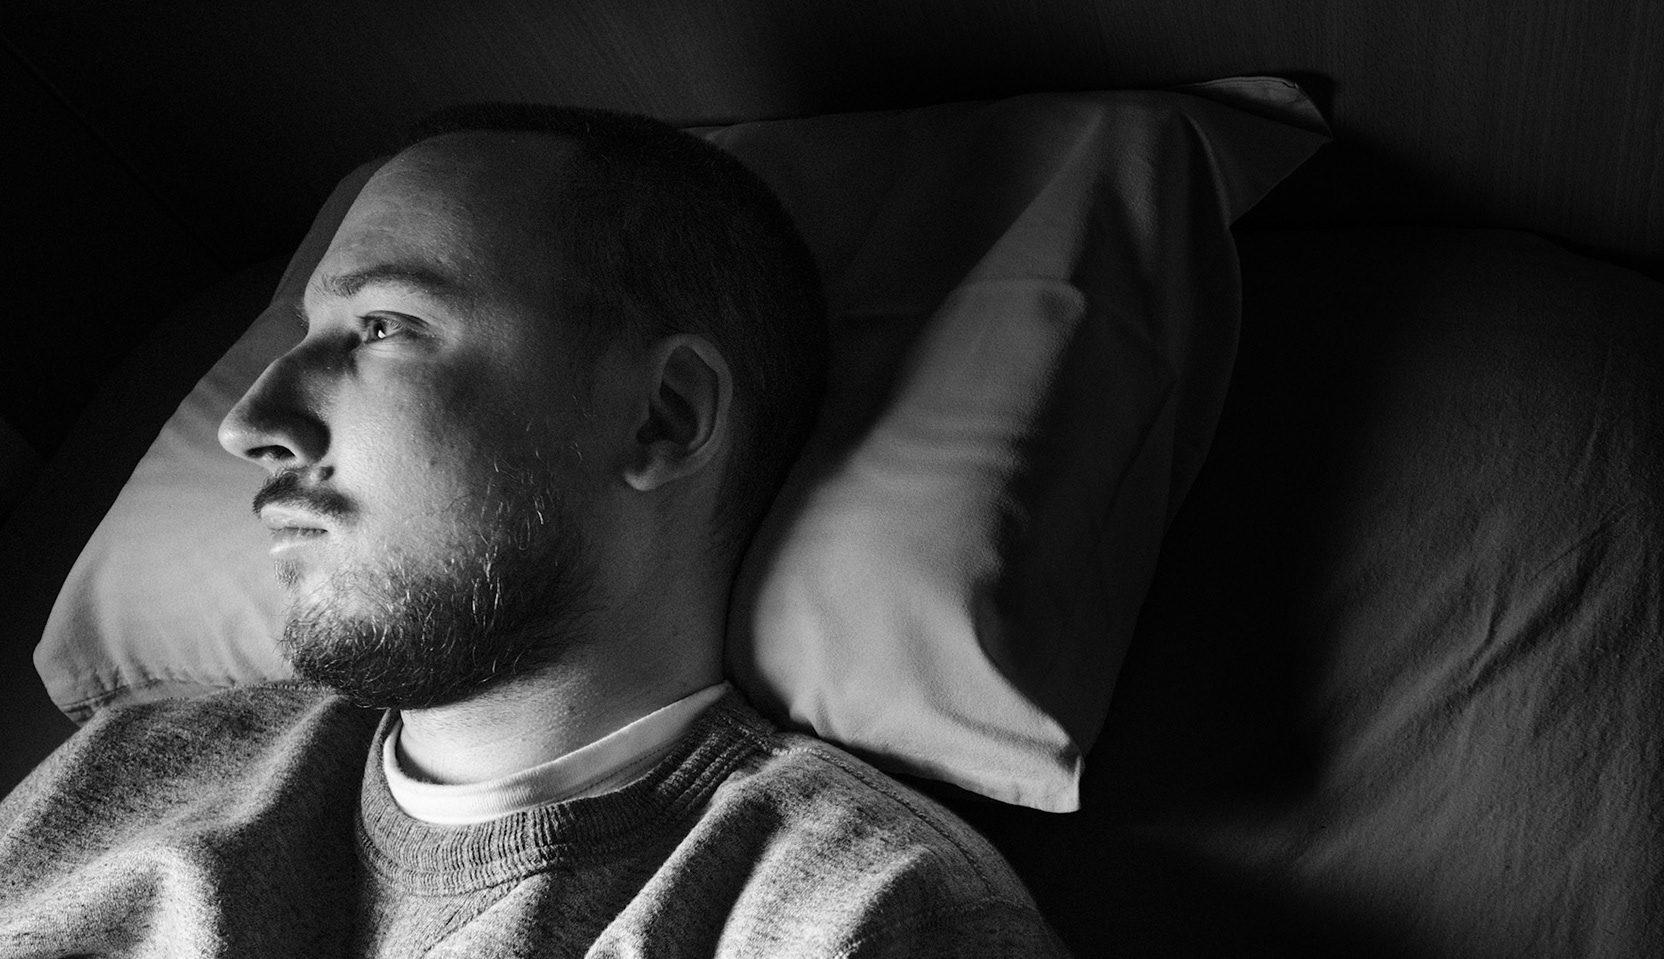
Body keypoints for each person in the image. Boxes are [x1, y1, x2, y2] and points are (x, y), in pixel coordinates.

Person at [0, 104, 1068, 957]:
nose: (251, 422)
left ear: (665, 417)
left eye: (382, 327)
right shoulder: (134, 761)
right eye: (305, 331)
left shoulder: (854, 915)